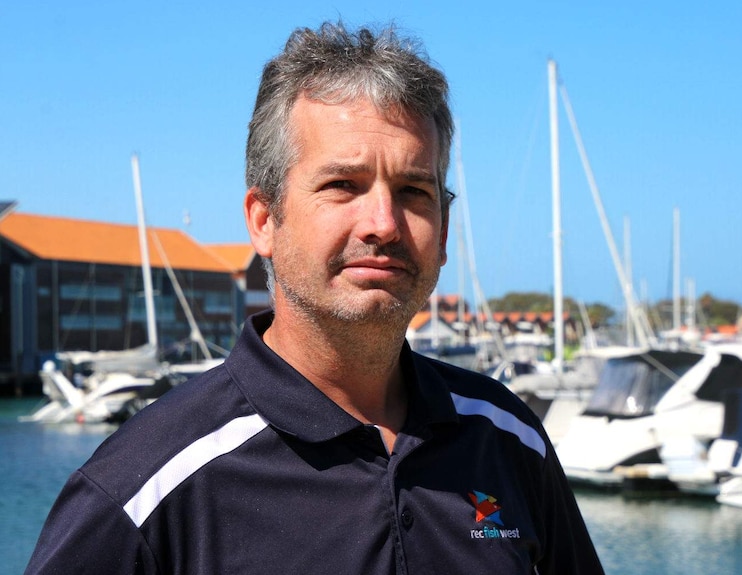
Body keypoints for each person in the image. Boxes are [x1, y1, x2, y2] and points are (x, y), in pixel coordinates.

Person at [25, 21, 605, 574]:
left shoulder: (507, 438)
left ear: (445, 231)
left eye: (413, 191)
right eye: (341, 186)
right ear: (264, 221)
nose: (383, 222)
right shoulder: (145, 488)